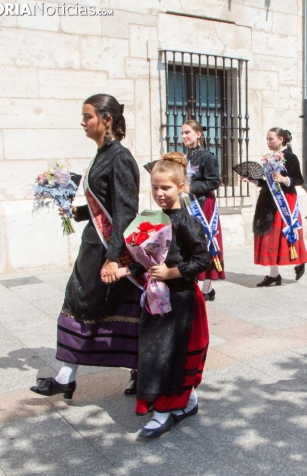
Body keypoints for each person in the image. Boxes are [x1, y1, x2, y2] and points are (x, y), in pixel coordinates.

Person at [30, 94, 141, 399]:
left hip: (108, 250)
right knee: (81, 302)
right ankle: (67, 375)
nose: (82, 122)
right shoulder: (101, 154)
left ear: (106, 120)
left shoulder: (120, 158)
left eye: (87, 116)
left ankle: (139, 370)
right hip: (94, 245)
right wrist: (76, 212)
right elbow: (102, 204)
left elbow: (125, 211)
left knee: (116, 307)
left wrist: (113, 258)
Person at [115, 153, 211, 438]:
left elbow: (203, 260)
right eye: (155, 187)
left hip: (181, 301)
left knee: (169, 354)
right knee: (154, 352)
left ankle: (165, 411)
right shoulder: (152, 220)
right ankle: (184, 401)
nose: (159, 193)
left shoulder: (188, 223)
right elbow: (147, 259)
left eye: (166, 187)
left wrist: (173, 273)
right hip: (156, 300)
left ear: (181, 187)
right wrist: (124, 270)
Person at [242, 128, 307, 286]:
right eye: (267, 139)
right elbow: (268, 182)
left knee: (284, 235)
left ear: (281, 139)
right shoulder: (269, 158)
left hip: (284, 201)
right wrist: (252, 180)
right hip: (269, 200)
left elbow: (299, 179)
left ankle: (300, 260)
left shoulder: (290, 156)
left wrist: (284, 179)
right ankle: (273, 275)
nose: (268, 142)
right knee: (270, 237)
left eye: (271, 139)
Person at [182, 120, 225, 301]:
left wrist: (191, 188)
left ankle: (207, 287)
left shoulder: (207, 156)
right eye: (182, 133)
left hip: (202, 204)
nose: (184, 136)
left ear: (198, 134)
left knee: (205, 240)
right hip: (188, 202)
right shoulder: (185, 156)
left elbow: (214, 181)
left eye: (188, 133)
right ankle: (194, 281)